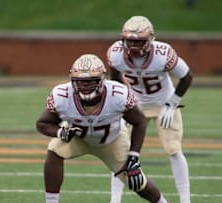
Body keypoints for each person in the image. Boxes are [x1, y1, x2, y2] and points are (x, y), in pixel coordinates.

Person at [36, 54, 169, 203]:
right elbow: (42, 123)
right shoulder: (61, 95)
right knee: (54, 151)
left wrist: (134, 156)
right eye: (80, 82)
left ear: (102, 79)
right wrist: (61, 132)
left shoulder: (118, 94)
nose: (85, 86)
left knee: (137, 182)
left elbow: (139, 122)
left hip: (112, 141)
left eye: (90, 81)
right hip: (79, 138)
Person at [107, 16, 193, 203]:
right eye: (130, 41)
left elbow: (187, 76)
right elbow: (115, 80)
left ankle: (186, 200)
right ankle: (115, 200)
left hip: (164, 104)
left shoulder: (163, 53)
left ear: (150, 39)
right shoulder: (115, 53)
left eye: (139, 41)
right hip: (134, 106)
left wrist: (172, 103)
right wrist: (120, 104)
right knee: (120, 152)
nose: (134, 46)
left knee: (173, 149)